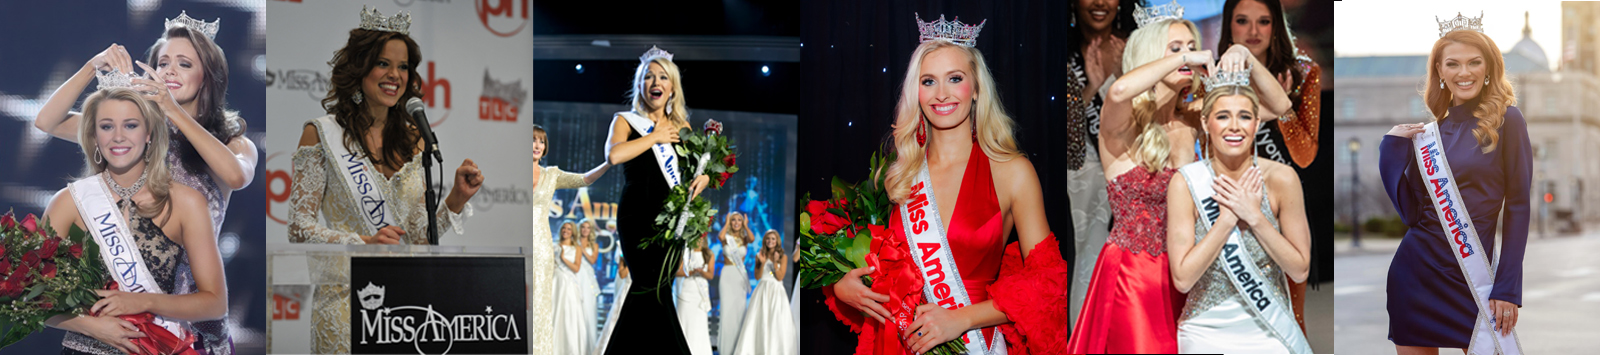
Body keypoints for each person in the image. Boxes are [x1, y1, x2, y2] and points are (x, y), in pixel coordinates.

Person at [825, 13, 1072, 354]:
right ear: (916, 91)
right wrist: (844, 286)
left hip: (976, 343)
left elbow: (1048, 284)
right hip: (900, 342)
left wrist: (963, 319)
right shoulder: (896, 174)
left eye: (955, 78)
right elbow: (874, 264)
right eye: (928, 81)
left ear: (976, 89)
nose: (941, 94)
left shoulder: (1012, 172)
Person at [1066, 1, 1290, 350]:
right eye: (1176, 48)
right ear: (1152, 56)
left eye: (1191, 47)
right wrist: (1185, 59)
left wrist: (1244, 54)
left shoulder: (1196, 118)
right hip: (1135, 279)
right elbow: (1121, 90)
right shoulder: (1123, 125)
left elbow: (1279, 107)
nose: (1191, 56)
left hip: (1194, 270)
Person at [33, 13, 253, 353]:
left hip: (191, 308)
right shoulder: (134, 132)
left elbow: (236, 176)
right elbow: (47, 121)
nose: (170, 71)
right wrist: (92, 66)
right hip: (130, 293)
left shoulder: (231, 140)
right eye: (162, 62)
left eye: (184, 63)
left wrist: (174, 113)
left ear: (207, 77)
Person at [285, 7, 485, 353]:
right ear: (359, 69)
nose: (395, 75)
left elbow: (419, 236)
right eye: (383, 63)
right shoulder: (321, 134)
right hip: (345, 303)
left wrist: (456, 199)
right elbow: (299, 226)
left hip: (404, 305)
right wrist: (364, 241)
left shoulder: (415, 138)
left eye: (403, 66)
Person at [1380, 15, 1527, 355]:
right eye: (1453, 64)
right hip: (1415, 277)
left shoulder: (1508, 120)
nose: (1465, 72)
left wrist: (1508, 288)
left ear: (1488, 67)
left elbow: (1519, 205)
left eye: (1474, 62)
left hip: (1476, 282)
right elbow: (1412, 214)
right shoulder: (1429, 136)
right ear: (1440, 72)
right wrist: (1390, 150)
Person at [42, 87, 227, 355]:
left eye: (130, 125)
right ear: (94, 136)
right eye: (107, 126)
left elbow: (214, 302)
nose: (118, 137)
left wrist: (141, 301)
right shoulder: (69, 202)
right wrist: (91, 326)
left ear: (149, 133)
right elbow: (31, 297)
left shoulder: (186, 203)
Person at [1167, 71, 1312, 353]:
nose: (1235, 127)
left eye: (1244, 116)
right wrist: (1227, 219)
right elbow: (1183, 279)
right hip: (1206, 329)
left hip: (1270, 326)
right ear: (1206, 124)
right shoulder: (1186, 182)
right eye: (1222, 116)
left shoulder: (1282, 178)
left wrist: (1256, 217)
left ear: (1257, 124)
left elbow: (1299, 269)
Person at [1217, 0, 1324, 329]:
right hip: (1227, 205)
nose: (1252, 31)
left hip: (1281, 208)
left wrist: (1285, 109)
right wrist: (1264, 112)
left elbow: (1305, 155)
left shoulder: (1304, 72)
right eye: (1242, 21)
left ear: (1276, 26)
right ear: (1228, 25)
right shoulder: (1214, 74)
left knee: (1289, 319)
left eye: (1263, 21)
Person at [602, 45, 710, 355]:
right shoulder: (625, 120)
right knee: (649, 286)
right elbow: (614, 155)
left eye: (663, 76)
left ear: (672, 87)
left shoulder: (683, 129)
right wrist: (653, 137)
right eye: (648, 76)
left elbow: (694, 173)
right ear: (640, 85)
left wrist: (704, 179)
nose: (655, 82)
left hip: (672, 221)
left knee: (658, 290)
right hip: (636, 216)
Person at [1064, 0, 1143, 333]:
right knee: (1089, 261)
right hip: (1084, 183)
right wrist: (1092, 87)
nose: (1100, 3)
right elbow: (1061, 134)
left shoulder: (1136, 48)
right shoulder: (1063, 53)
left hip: (1134, 175)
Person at [529, 123, 610, 354]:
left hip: (543, 248)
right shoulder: (513, 172)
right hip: (519, 241)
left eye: (541, 141)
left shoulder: (552, 175)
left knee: (541, 303)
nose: (537, 145)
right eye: (533, 139)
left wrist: (608, 163)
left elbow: (583, 179)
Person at [732, 230, 797, 355]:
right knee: (759, 322)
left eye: (773, 239)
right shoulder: (760, 255)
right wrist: (761, 263)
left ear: (777, 240)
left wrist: (775, 262)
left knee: (775, 322)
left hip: (776, 292)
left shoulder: (783, 256)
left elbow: (780, 277)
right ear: (765, 241)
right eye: (768, 239)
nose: (770, 241)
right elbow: (757, 276)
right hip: (762, 291)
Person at [718, 212, 756, 352]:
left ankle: (738, 349)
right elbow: (720, 236)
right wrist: (726, 222)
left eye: (739, 220)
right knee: (727, 312)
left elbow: (752, 238)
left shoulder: (744, 239)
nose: (736, 223)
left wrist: (746, 225)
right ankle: (725, 350)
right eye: (733, 220)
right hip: (727, 275)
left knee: (739, 312)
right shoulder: (726, 238)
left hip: (740, 276)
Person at [555, 221, 592, 354]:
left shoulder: (577, 248)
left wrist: (563, 258)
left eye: (569, 229)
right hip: (556, 283)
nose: (565, 230)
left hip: (569, 284)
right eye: (564, 228)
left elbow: (576, 268)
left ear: (573, 232)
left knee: (568, 314)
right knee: (555, 312)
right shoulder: (554, 246)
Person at [675, 237, 715, 355]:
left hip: (700, 292)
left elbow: (710, 275)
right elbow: (677, 272)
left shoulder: (708, 254)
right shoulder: (686, 253)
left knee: (699, 322)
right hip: (687, 290)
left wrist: (701, 272)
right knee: (685, 319)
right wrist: (691, 272)